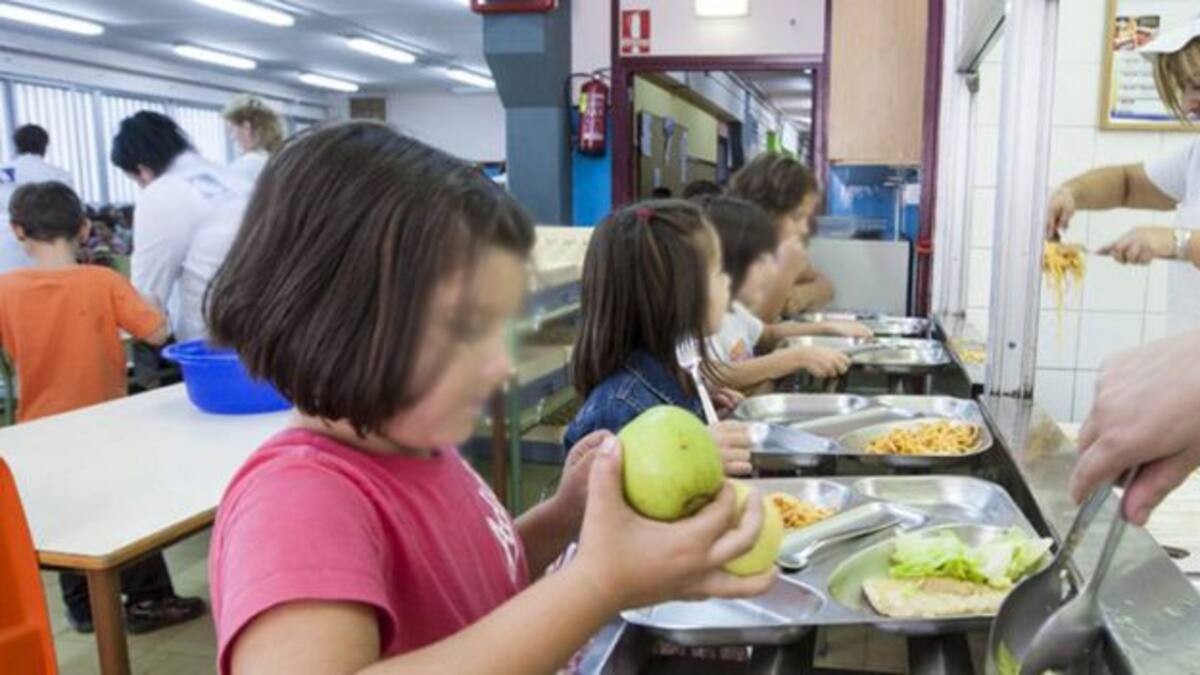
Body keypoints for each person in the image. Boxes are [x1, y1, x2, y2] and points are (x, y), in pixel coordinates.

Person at [205, 123, 774, 674]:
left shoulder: (425, 453)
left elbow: (480, 589)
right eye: (466, 326)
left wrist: (561, 516)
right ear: (339, 318)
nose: (501, 365)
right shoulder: (298, 500)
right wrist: (597, 583)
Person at [0, 181, 205, 634]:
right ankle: (150, 600)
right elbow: (155, 333)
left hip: (38, 431)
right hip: (108, 426)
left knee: (70, 520)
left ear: (18, 231)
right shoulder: (102, 280)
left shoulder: (4, 290)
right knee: (130, 510)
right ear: (85, 227)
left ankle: (85, 609)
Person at [564, 199, 761, 476]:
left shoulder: (675, 371)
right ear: (677, 296)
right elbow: (605, 505)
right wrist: (697, 452)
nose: (727, 281)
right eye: (718, 272)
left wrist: (701, 416)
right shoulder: (617, 407)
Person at [1046, 20, 1200, 334]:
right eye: (1183, 88)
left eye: (1196, 86)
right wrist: (1070, 193)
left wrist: (1177, 242)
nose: (1186, 104)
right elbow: (1126, 184)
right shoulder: (1195, 157)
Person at [705, 197, 871, 394]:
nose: (769, 271)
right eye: (760, 261)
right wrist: (797, 357)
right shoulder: (702, 322)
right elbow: (715, 374)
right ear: (730, 263)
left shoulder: (733, 311)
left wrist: (829, 328)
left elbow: (768, 334)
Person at [111, 111, 251, 342]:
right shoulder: (233, 180)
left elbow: (147, 299)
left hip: (216, 340)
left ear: (143, 170)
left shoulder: (160, 194)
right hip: (273, 333)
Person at [729, 153, 835, 321]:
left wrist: (802, 294)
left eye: (807, 218)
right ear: (766, 213)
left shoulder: (774, 253)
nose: (805, 229)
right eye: (796, 217)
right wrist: (785, 274)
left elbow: (827, 287)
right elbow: (755, 329)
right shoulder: (733, 258)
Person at [0, 125, 73, 273]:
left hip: (4, 238)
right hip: (47, 240)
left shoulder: (3, 173)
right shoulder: (60, 176)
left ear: (16, 145)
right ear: (45, 146)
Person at [222, 95, 284, 185]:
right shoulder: (279, 162)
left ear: (247, 128)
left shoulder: (246, 166)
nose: (232, 138)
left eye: (232, 129)